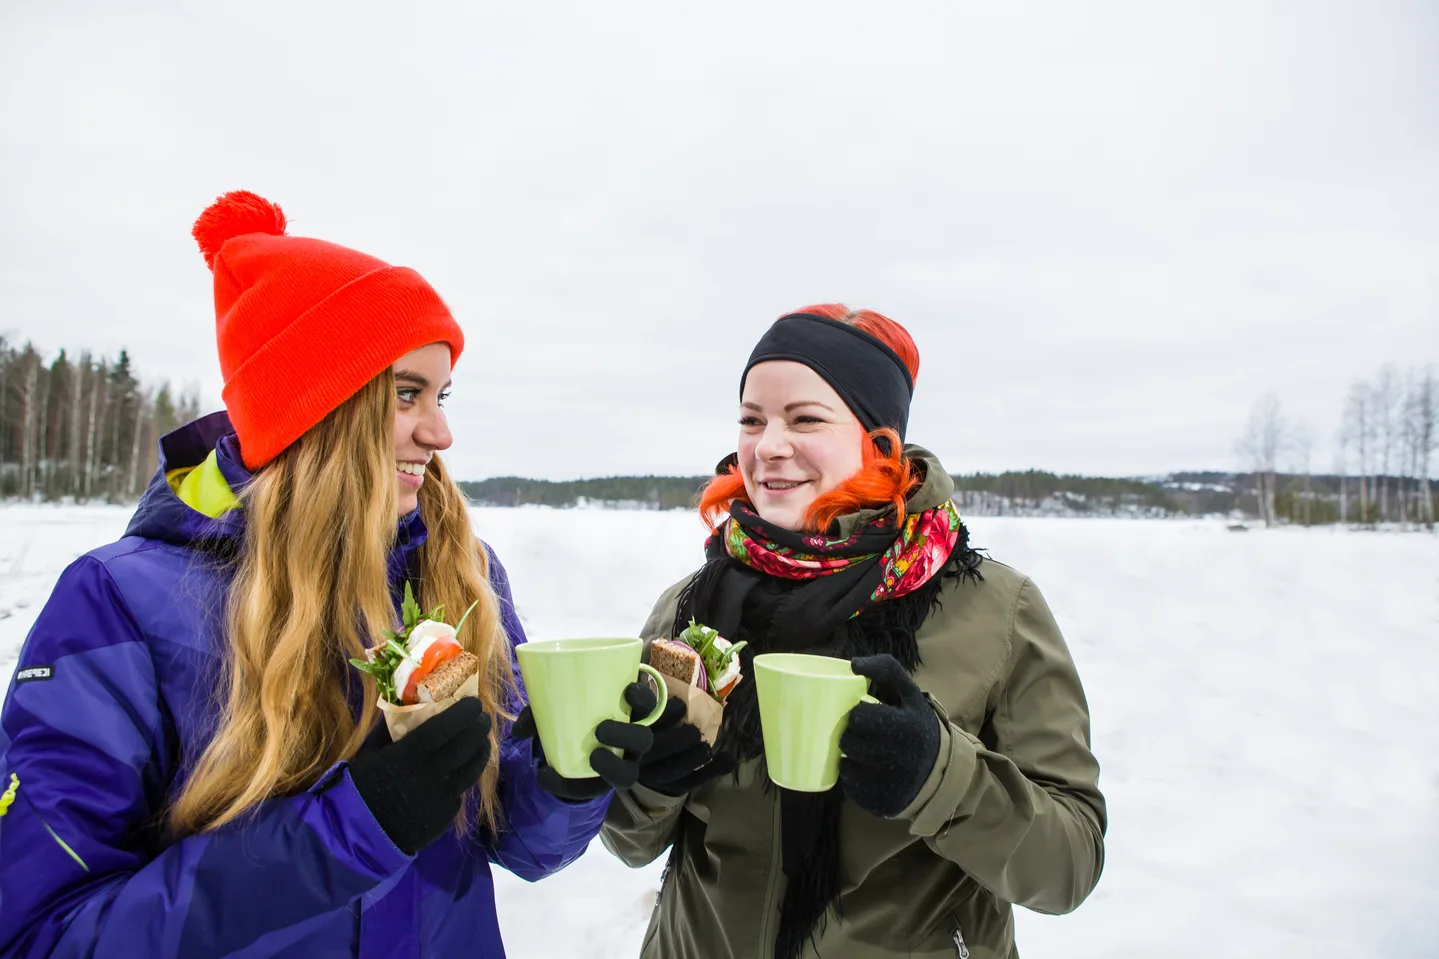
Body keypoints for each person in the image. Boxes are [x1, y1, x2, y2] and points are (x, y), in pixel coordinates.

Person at [0, 191, 655, 958]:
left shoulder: (458, 572)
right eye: (407, 392)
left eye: (441, 396)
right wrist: (347, 831)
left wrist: (563, 777)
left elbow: (515, 840)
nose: (440, 430)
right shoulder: (120, 603)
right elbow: (44, 935)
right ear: (313, 403)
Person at [602, 305, 1107, 958]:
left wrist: (938, 774)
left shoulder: (995, 608)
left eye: (804, 418)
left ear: (879, 439)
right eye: (751, 420)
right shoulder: (695, 605)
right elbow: (629, 841)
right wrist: (647, 779)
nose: (768, 446)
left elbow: (1067, 864)